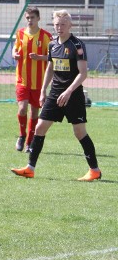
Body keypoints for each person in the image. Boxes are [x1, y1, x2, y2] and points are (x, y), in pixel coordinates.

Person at [11, 10, 101, 182]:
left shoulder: (77, 45)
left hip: (73, 95)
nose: (59, 28)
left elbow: (83, 73)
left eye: (63, 25)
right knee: (40, 128)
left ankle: (94, 170)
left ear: (70, 25)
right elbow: (50, 68)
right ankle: (30, 168)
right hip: (55, 94)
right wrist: (44, 90)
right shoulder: (52, 45)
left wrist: (69, 91)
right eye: (56, 24)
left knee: (79, 132)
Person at [12, 7, 52, 152]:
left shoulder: (46, 36)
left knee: (34, 113)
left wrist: (40, 57)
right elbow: (15, 49)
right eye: (28, 18)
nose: (30, 20)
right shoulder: (20, 33)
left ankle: (29, 142)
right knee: (22, 109)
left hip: (39, 82)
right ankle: (22, 136)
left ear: (38, 19)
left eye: (32, 18)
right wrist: (14, 54)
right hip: (22, 80)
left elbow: (53, 57)